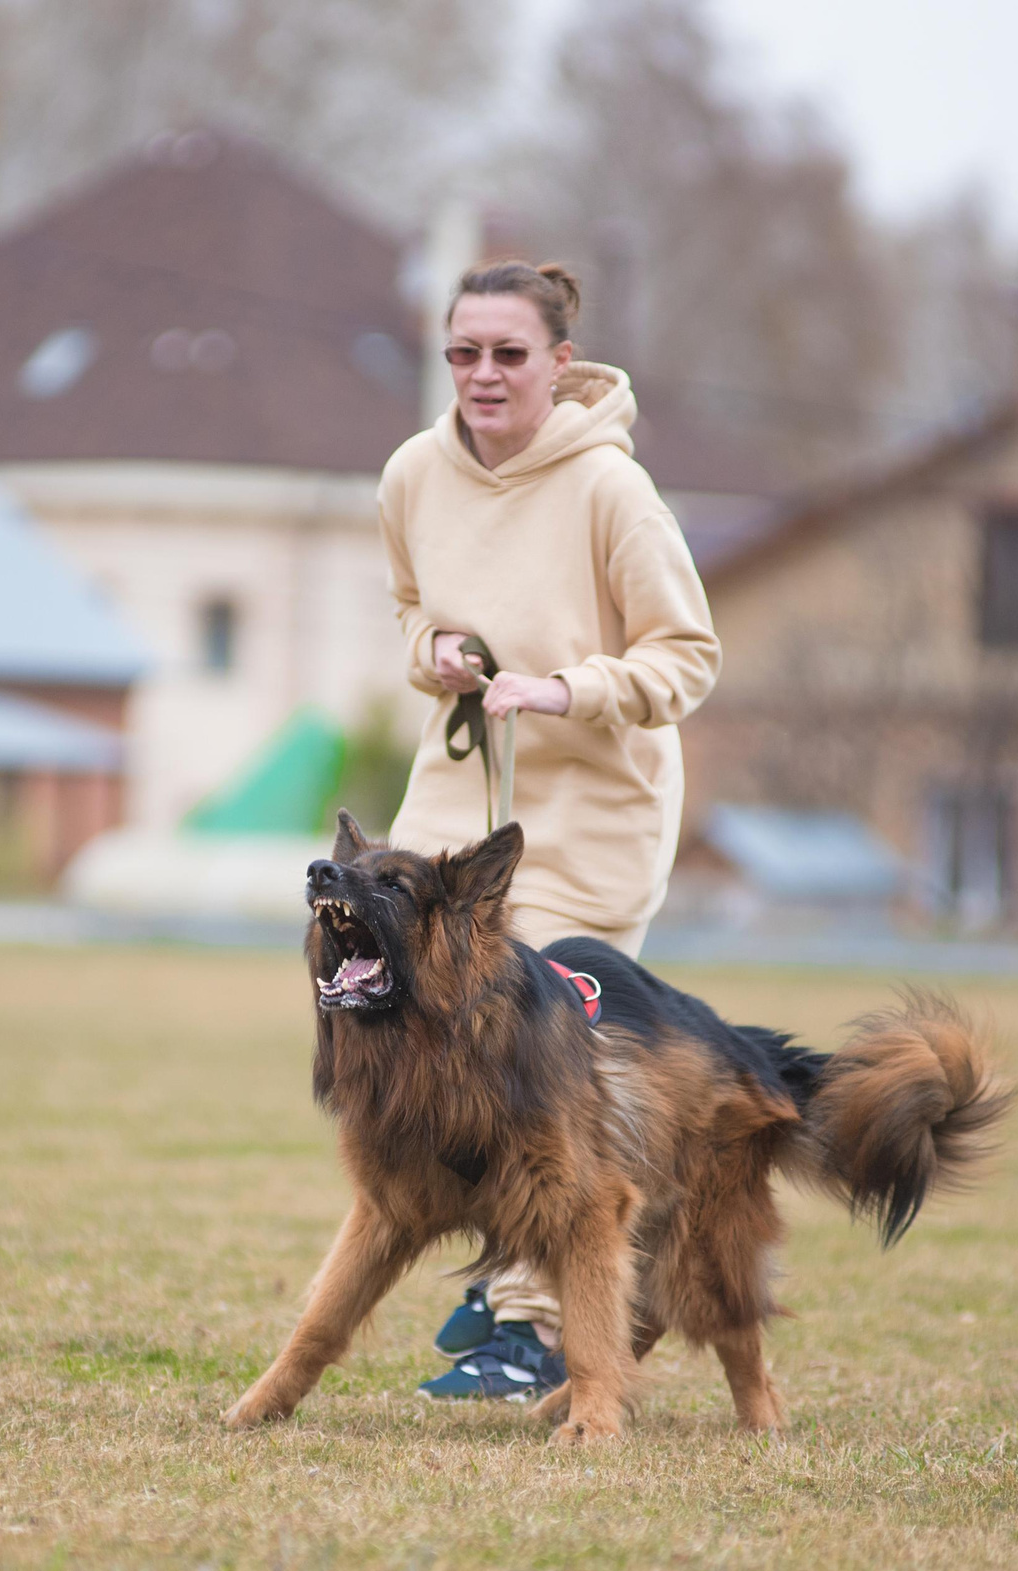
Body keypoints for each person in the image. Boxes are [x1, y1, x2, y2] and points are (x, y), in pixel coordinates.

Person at [375, 259, 721, 1402]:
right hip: (457, 800)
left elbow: (687, 657)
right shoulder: (414, 474)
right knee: (400, 1023)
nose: (483, 374)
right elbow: (408, 609)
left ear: (560, 365)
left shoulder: (613, 492)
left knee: (535, 1058)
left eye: (508, 354)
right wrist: (434, 655)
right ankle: (498, 1251)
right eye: (463, 352)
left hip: (593, 812)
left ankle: (532, 1326)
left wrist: (566, 689)